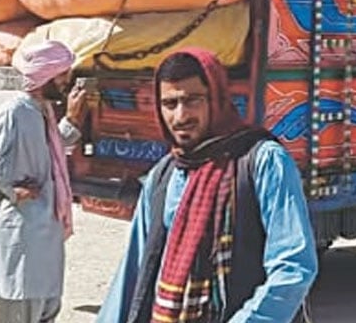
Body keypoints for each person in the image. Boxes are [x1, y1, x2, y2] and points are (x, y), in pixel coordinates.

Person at [95, 47, 319, 323]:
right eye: (170, 103)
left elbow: (294, 268)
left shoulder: (262, 162)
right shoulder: (163, 176)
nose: (180, 116)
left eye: (193, 100)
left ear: (216, 99)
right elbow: (133, 273)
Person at [0, 40, 86, 323]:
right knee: (21, 310)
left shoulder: (41, 110)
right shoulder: (14, 112)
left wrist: (71, 120)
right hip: (23, 229)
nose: (66, 82)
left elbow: (51, 152)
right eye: (62, 75)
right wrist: (13, 190)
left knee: (46, 307)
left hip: (45, 227)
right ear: (44, 75)